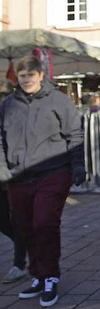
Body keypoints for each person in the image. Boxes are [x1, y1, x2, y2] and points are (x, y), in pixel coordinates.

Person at [0, 56, 86, 307]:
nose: (26, 79)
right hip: (18, 176)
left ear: (41, 75)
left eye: (31, 74)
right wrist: (2, 168)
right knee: (26, 228)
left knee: (45, 222)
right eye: (22, 75)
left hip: (53, 172)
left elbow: (75, 134)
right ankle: (38, 274)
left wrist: (78, 166)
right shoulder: (7, 105)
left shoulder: (58, 100)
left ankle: (50, 276)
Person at [0, 79, 28, 284]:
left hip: (14, 174)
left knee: (16, 219)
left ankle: (19, 263)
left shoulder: (17, 113)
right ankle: (24, 246)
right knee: (4, 221)